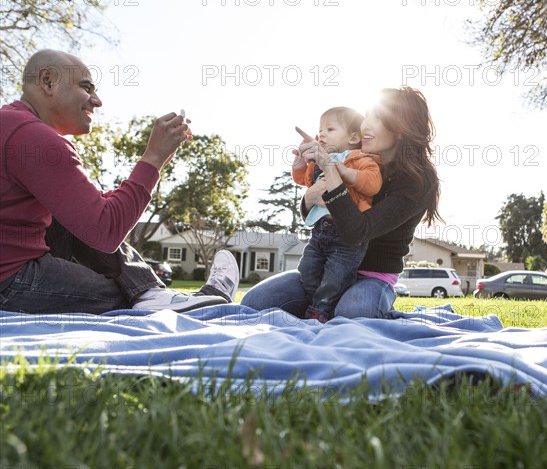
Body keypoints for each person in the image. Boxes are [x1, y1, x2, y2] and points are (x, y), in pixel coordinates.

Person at [0, 49, 239, 315]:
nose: (97, 101)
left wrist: (155, 163)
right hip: (9, 282)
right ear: (48, 82)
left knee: (79, 218)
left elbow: (92, 212)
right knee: (124, 294)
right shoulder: (35, 138)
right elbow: (105, 231)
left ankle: (150, 293)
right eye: (86, 87)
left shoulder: (13, 125)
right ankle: (164, 300)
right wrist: (152, 160)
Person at [242, 87, 441, 319]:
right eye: (366, 115)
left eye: (376, 117)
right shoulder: (351, 155)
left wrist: (330, 172)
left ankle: (338, 308)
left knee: (352, 312)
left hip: (371, 276)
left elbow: (358, 231)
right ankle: (318, 307)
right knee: (254, 303)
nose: (365, 124)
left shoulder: (417, 181)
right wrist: (308, 197)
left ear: (400, 127)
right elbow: (314, 207)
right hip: (323, 270)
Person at [291, 107, 382, 322]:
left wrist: (342, 171)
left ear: (353, 137)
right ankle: (320, 305)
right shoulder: (322, 158)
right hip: (320, 232)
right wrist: (299, 164)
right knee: (308, 270)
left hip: (345, 236)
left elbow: (372, 183)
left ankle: (319, 313)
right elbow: (304, 180)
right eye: (320, 130)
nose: (321, 134)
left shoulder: (360, 157)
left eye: (330, 129)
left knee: (336, 276)